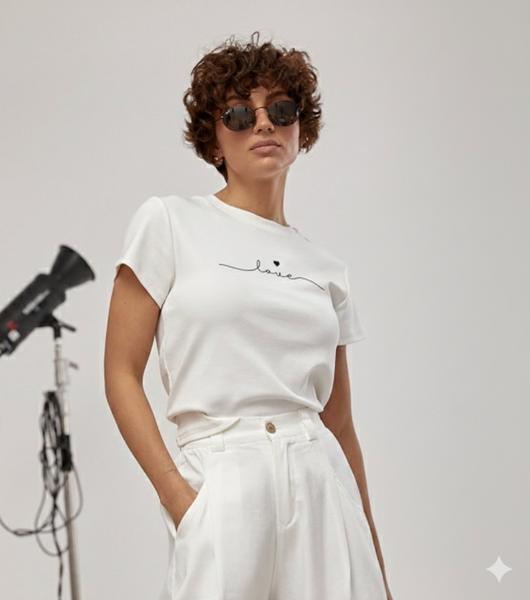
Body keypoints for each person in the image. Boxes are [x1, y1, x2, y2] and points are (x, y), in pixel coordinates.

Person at [104, 30, 393, 600]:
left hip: (319, 477)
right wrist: (179, 496)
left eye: (280, 110)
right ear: (214, 140)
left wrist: (376, 564)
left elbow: (339, 424)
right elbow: (120, 372)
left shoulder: (325, 267)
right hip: (221, 475)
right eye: (239, 114)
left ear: (300, 130)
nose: (263, 124)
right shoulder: (170, 222)